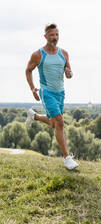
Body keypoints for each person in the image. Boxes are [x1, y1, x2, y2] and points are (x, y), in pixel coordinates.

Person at [25, 23, 79, 170]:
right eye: (51, 35)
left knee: (54, 124)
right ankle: (67, 158)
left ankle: (34, 116)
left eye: (56, 35)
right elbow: (28, 70)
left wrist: (69, 74)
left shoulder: (64, 53)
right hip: (46, 92)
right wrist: (33, 89)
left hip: (60, 93)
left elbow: (69, 72)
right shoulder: (38, 55)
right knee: (60, 123)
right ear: (45, 36)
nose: (55, 38)